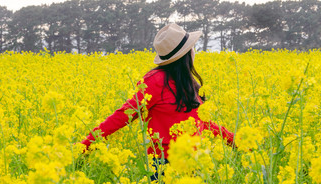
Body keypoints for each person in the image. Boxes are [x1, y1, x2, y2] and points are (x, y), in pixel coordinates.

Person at [81, 23, 235, 180]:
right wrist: (83, 146)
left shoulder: (188, 83)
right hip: (164, 166)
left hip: (195, 164)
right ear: (187, 54)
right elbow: (123, 115)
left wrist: (233, 140)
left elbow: (203, 121)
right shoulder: (155, 81)